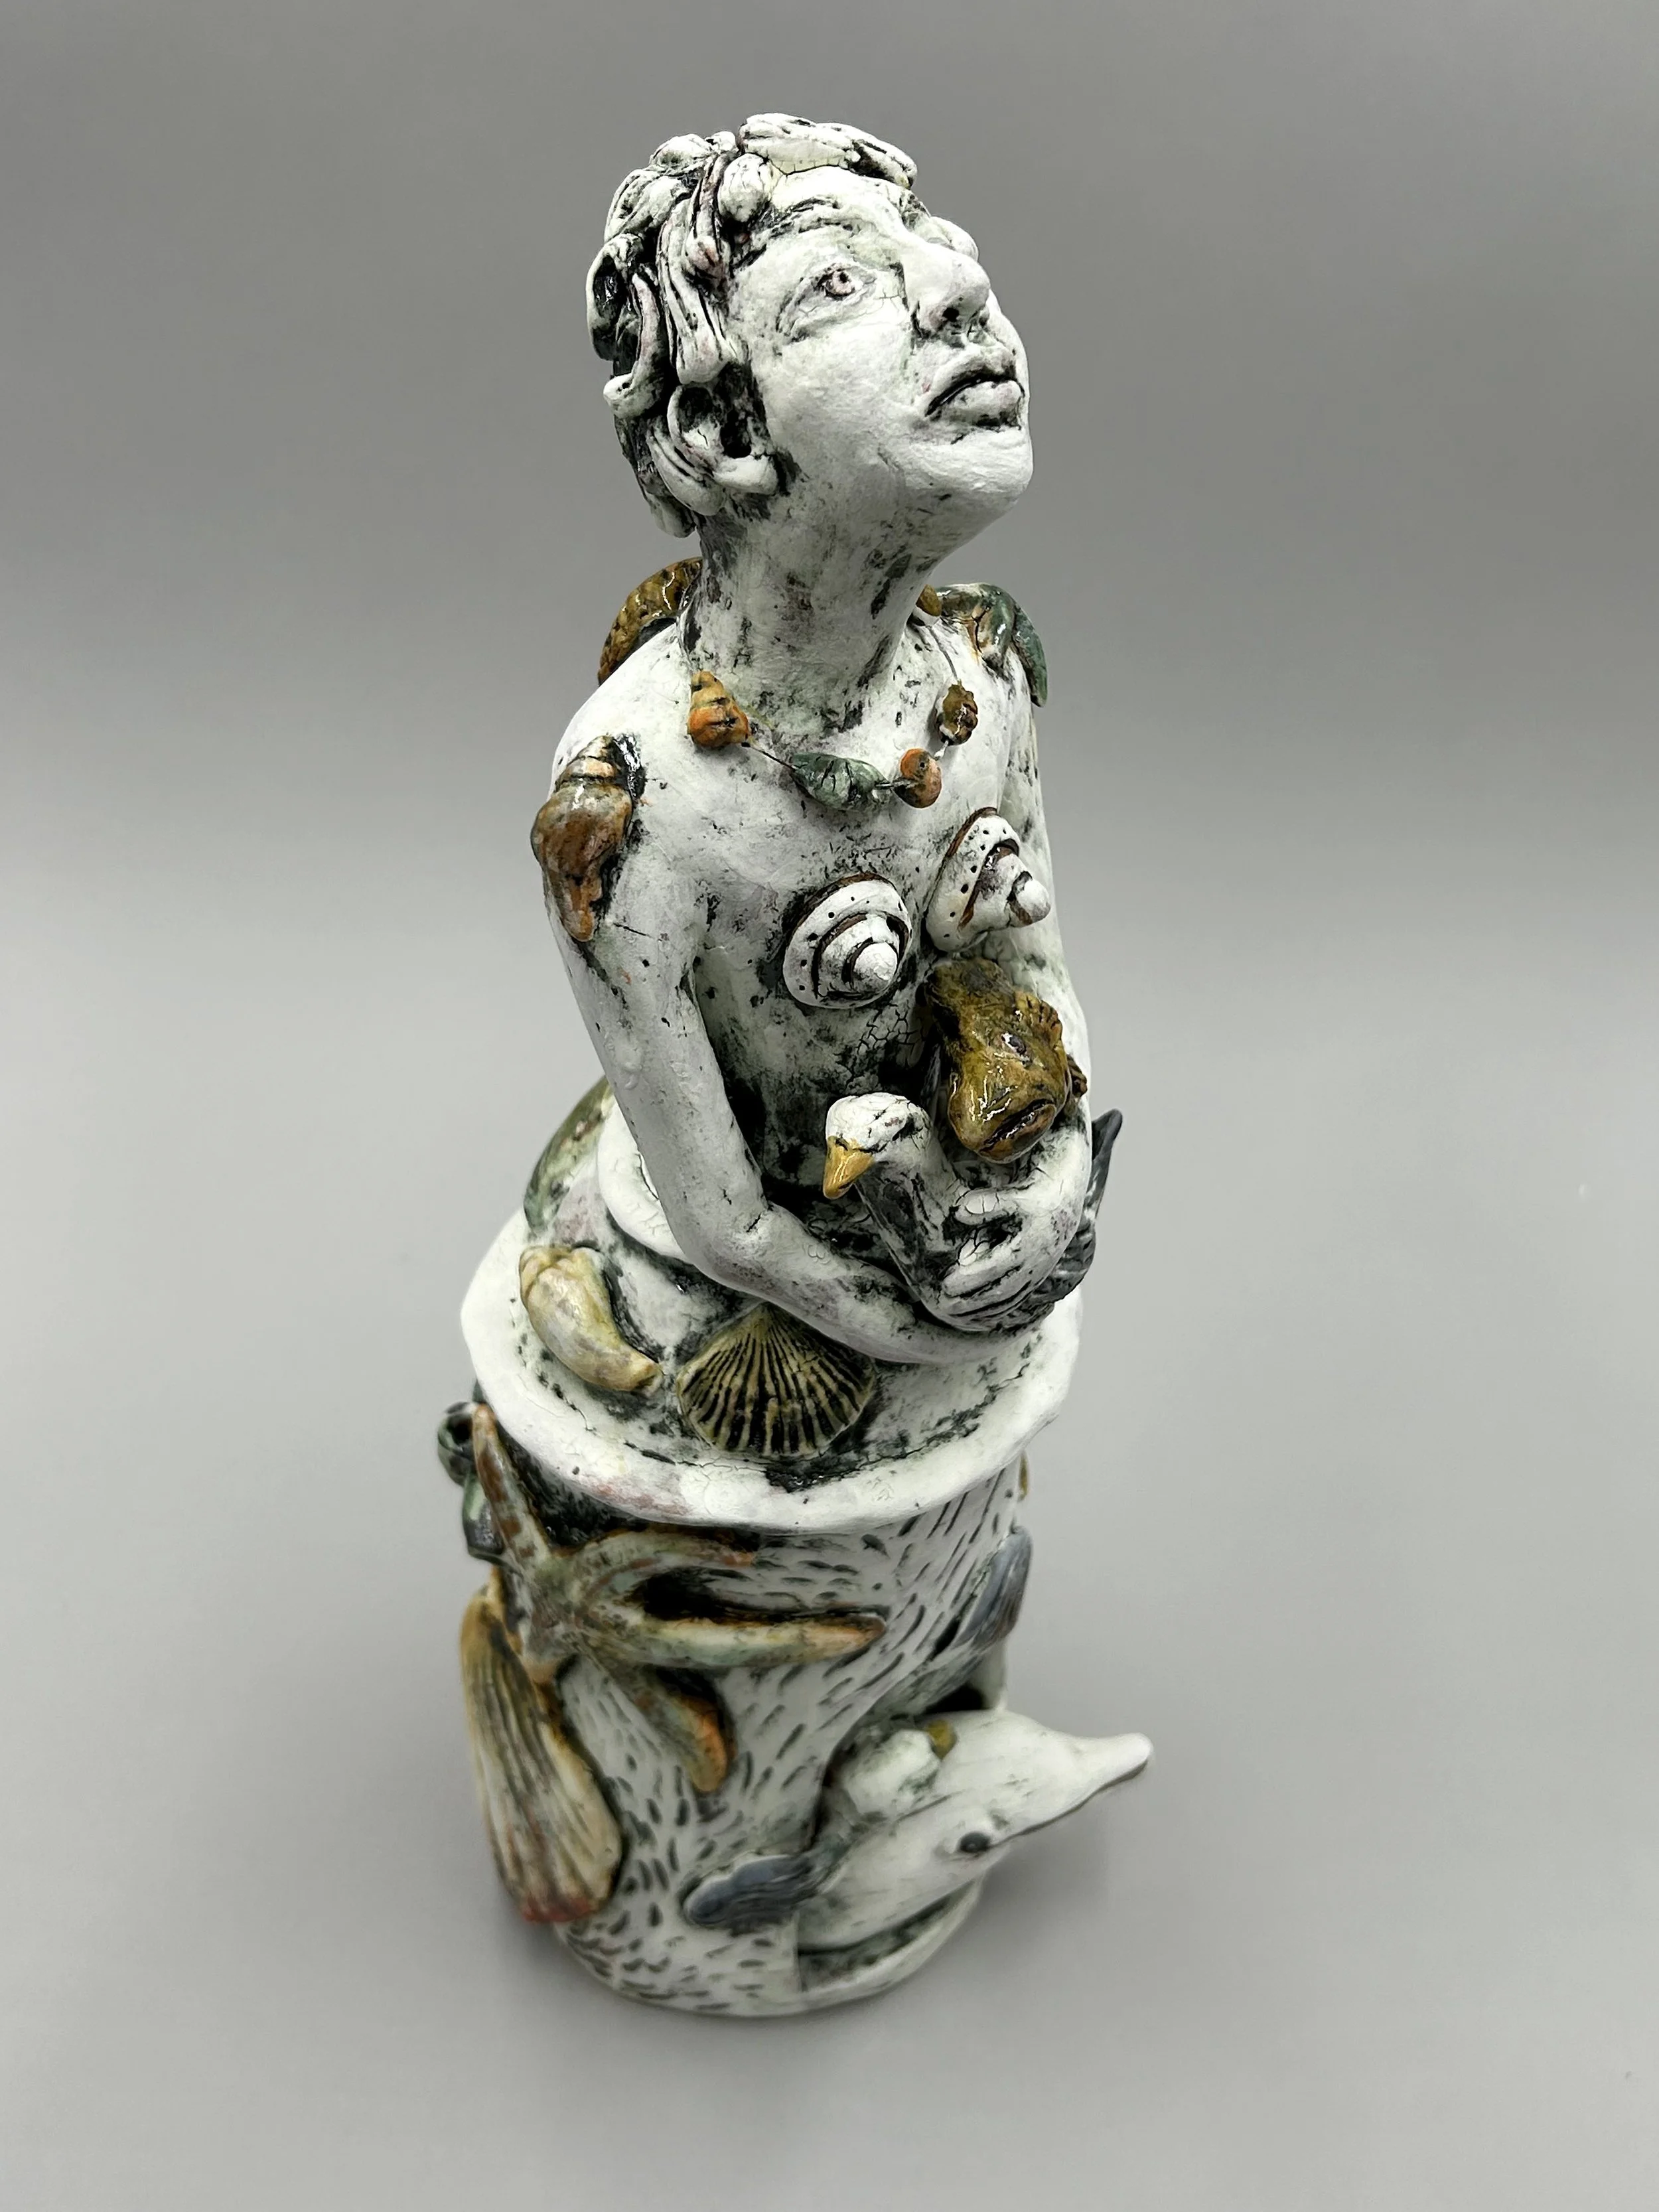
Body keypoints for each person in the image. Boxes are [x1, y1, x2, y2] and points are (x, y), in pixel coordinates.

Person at [546, 116, 1094, 1367]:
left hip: (964, 1246)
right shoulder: (637, 809)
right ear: (722, 434)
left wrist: (1050, 1187)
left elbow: (1041, 987)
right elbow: (729, 1221)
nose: (961, 283)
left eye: (936, 237)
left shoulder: (980, 679)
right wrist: (930, 1337)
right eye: (840, 285)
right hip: (772, 1308)